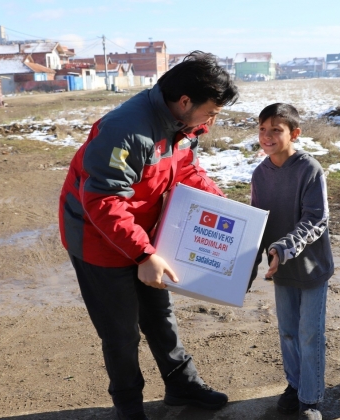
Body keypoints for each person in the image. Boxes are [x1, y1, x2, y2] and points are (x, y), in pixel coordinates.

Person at [58, 51, 238, 420]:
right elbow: (104, 200)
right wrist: (142, 254)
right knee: (121, 332)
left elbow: (186, 170)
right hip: (97, 238)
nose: (213, 120)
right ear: (185, 101)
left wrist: (228, 211)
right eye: (211, 111)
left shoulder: (182, 126)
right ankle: (129, 407)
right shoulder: (128, 129)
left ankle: (181, 385)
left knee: (159, 313)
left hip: (143, 232)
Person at [249, 103, 334, 420]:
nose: (267, 136)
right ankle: (296, 385)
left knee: (310, 333)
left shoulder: (309, 169)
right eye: (261, 129)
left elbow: (316, 220)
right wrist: (244, 268)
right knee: (287, 332)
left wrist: (283, 247)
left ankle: (310, 399)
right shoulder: (260, 174)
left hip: (311, 269)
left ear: (294, 133)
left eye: (275, 129)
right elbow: (258, 223)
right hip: (280, 270)